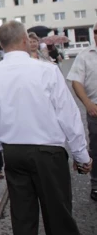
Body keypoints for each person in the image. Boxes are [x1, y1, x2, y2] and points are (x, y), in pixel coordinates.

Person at [0, 20, 91, 235]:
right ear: (25, 40)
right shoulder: (47, 71)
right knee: (59, 216)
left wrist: (1, 146)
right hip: (48, 151)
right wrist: (81, 156)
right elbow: (69, 116)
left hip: (13, 151)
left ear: (1, 42)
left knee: (23, 217)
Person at [67, 21, 97, 201]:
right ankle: (96, 185)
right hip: (96, 110)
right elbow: (76, 82)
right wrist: (88, 104)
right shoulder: (85, 56)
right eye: (95, 32)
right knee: (96, 149)